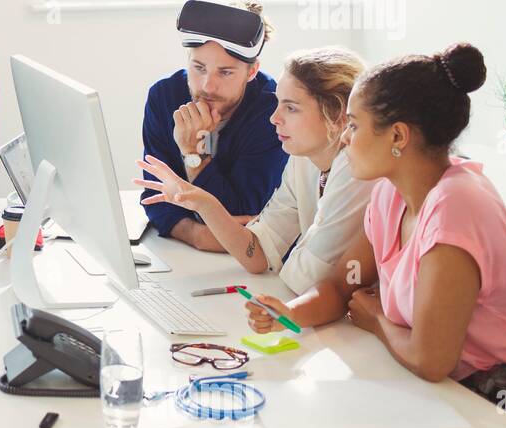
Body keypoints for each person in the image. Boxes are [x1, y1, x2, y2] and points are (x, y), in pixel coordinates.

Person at [240, 43, 506, 428]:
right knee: (286, 419)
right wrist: (290, 310)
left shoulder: (457, 207)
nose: (344, 137)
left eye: (355, 125)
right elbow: (343, 287)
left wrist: (376, 320)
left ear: (398, 137)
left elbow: (430, 357)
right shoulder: (389, 189)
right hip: (445, 388)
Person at [135, 46, 371, 294]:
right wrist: (202, 202)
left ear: (337, 116)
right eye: (278, 103)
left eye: (290, 108)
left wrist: (284, 256)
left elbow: (305, 279)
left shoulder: (354, 171)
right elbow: (258, 255)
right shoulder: (302, 158)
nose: (274, 118)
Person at [140, 0, 289, 251]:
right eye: (199, 68)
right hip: (183, 251)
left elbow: (241, 211)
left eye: (225, 72)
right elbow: (156, 198)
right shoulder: (164, 97)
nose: (208, 86)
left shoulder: (272, 112)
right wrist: (197, 235)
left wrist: (194, 154)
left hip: (247, 261)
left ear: (251, 72)